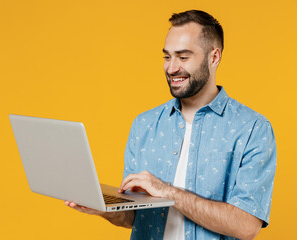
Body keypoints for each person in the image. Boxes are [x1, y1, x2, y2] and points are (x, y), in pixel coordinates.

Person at [65, 10, 277, 240]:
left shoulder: (252, 129)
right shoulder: (144, 124)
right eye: (167, 57)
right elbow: (134, 217)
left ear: (214, 57)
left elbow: (246, 226)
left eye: (183, 57)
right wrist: (102, 208)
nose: (171, 68)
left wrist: (167, 192)